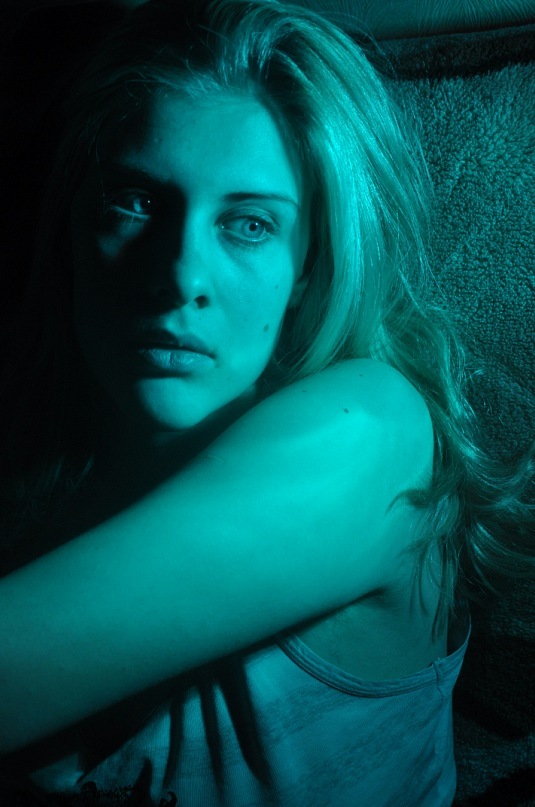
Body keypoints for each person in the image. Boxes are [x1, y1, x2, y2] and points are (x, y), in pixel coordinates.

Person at [0, 0, 533, 804]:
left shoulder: (372, 433)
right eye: (135, 200)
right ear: (72, 225)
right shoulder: (39, 472)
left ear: (311, 266)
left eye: (248, 224)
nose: (179, 276)